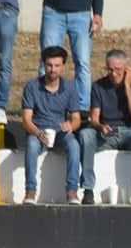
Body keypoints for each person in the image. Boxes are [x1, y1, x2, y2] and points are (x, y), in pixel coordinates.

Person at [82, 49, 131, 205]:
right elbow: (94, 118)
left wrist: (126, 85)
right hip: (109, 133)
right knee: (86, 134)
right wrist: (100, 126)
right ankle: (88, 189)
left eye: (118, 70)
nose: (113, 73)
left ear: (126, 69)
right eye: (110, 69)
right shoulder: (98, 86)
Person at [20, 45, 84, 204]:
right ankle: (30, 192)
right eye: (49, 65)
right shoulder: (32, 86)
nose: (52, 69)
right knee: (32, 144)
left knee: (74, 145)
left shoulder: (70, 87)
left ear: (63, 67)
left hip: (61, 132)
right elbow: (26, 119)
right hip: (39, 131)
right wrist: (37, 132)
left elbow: (77, 118)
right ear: (43, 65)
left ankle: (72, 192)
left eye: (57, 66)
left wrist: (71, 125)